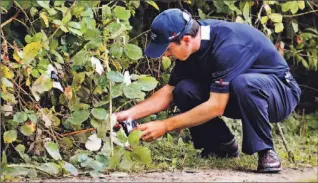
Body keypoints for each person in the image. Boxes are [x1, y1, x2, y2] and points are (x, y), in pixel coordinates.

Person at [114, 8, 301, 173]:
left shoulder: (227, 45)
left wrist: (165, 126)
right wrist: (127, 115)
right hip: (240, 94)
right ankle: (222, 145)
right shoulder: (192, 47)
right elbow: (169, 92)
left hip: (280, 93)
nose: (166, 55)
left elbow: (216, 106)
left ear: (186, 39)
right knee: (183, 89)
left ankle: (266, 151)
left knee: (244, 83)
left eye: (168, 49)